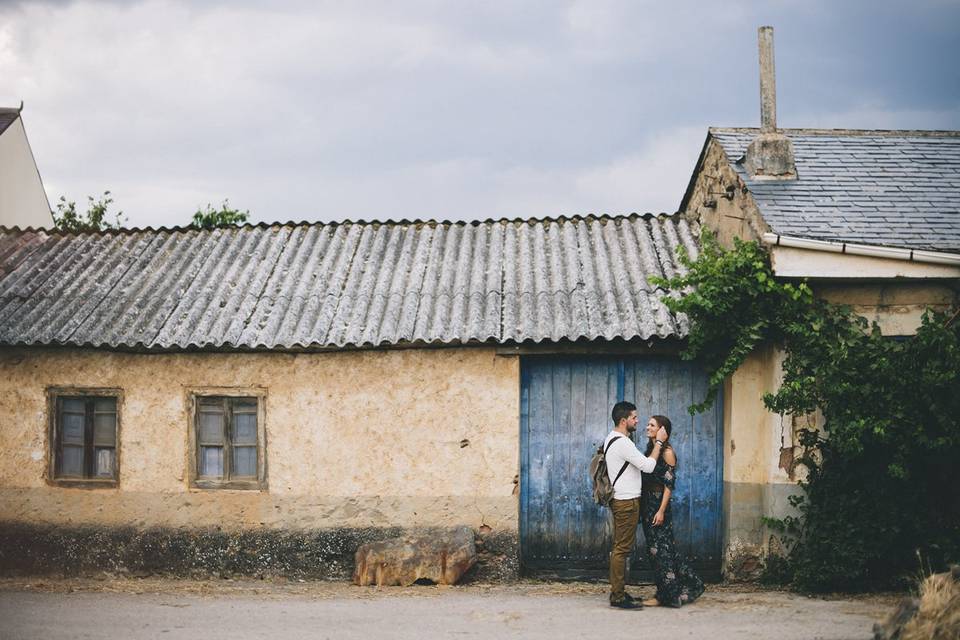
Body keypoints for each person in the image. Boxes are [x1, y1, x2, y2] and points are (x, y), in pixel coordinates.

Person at [605, 401, 668, 609]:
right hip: (626, 502)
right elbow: (648, 466)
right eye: (634, 417)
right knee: (621, 549)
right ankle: (617, 597)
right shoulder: (622, 442)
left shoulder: (612, 439)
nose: (637, 421)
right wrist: (659, 443)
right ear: (624, 421)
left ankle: (619, 592)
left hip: (624, 500)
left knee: (620, 548)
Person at [639, 415, 705, 608]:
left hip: (659, 506)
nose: (647, 427)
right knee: (655, 552)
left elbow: (669, 485)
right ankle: (665, 592)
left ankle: (668, 594)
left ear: (662, 430)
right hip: (647, 504)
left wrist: (661, 511)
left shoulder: (667, 452)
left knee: (663, 552)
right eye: (648, 424)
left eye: (652, 425)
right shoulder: (652, 449)